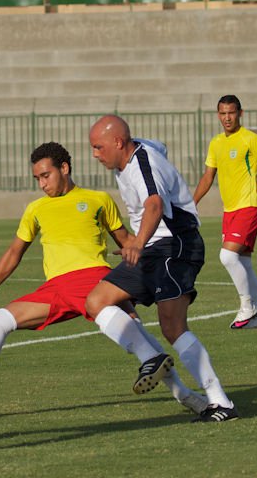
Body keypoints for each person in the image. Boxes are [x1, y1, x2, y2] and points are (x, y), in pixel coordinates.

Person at [0, 141, 208, 415]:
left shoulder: (98, 199)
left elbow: (127, 239)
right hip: (56, 287)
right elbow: (13, 253)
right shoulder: (35, 209)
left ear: (64, 168)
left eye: (46, 176)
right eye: (37, 178)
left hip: (94, 279)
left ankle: (184, 392)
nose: (42, 184)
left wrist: (158, 257)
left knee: (136, 331)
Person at [86, 115, 238, 422]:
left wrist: (137, 243)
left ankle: (221, 403)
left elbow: (154, 204)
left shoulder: (143, 162)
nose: (95, 154)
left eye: (98, 147)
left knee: (172, 327)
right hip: (152, 249)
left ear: (119, 142)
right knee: (96, 301)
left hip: (175, 245)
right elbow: (161, 146)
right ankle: (152, 357)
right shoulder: (132, 155)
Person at [193, 95, 257, 330]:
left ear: (240, 113)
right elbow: (208, 177)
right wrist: (191, 203)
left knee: (227, 257)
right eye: (223, 113)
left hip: (249, 207)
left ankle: (247, 307)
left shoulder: (251, 139)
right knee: (244, 263)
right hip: (230, 212)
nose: (227, 118)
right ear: (218, 115)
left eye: (231, 113)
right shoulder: (216, 143)